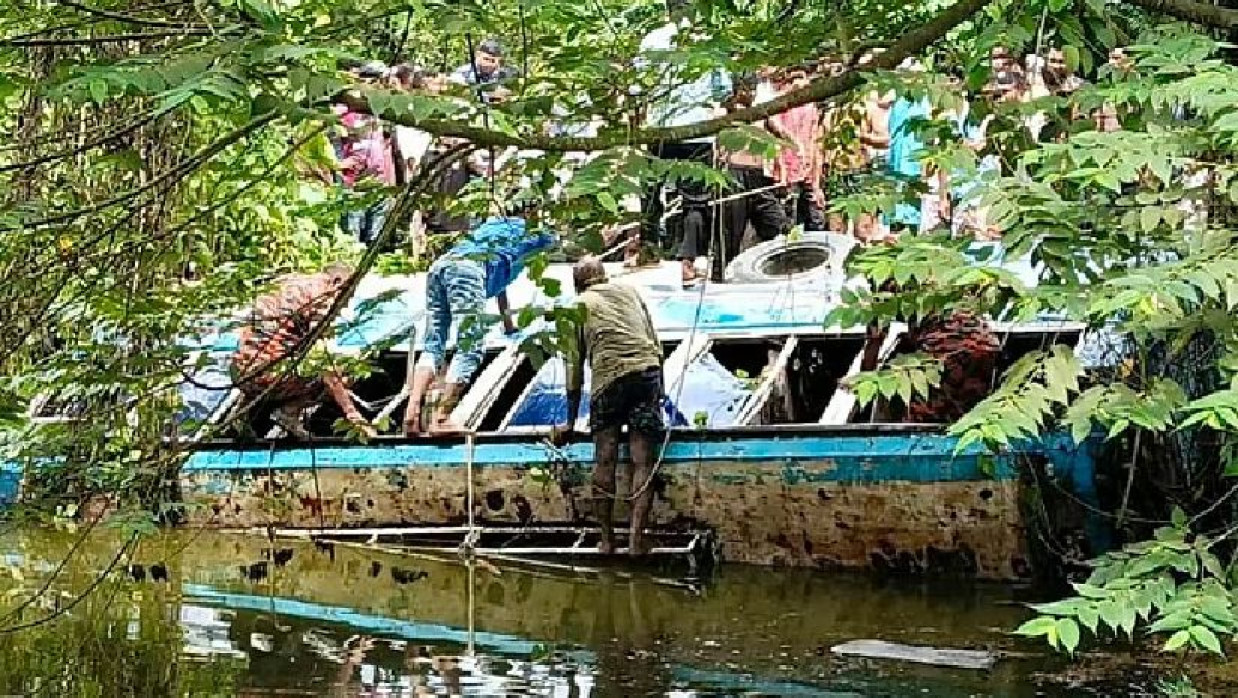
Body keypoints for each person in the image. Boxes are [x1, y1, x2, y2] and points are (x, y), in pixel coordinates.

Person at [403, 216, 556, 435]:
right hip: (468, 270)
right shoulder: (538, 234)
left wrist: (509, 325)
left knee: (433, 342)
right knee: (470, 345)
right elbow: (556, 242)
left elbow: (500, 284)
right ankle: (441, 419)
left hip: (442, 265)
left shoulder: (495, 227)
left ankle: (412, 411)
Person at [556, 258, 664, 555]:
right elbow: (655, 344)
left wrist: (569, 421)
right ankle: (636, 541)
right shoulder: (630, 291)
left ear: (577, 284)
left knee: (605, 459)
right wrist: (659, 391)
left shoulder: (575, 307)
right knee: (643, 459)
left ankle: (606, 540)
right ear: (605, 276)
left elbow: (573, 367)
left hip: (609, 380)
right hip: (646, 372)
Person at [636, 0, 733, 286]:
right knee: (696, 200)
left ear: (667, 9)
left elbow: (638, 86)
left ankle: (648, 249)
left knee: (652, 194)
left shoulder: (651, 40)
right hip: (696, 131)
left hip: (659, 130)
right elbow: (723, 89)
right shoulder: (708, 41)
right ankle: (688, 262)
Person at [232, 264, 375, 439]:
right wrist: (352, 414)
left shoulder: (288, 281)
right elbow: (322, 360)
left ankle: (240, 415)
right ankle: (288, 414)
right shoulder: (323, 297)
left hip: (240, 373)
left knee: (264, 352)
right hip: (269, 376)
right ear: (337, 282)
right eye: (348, 295)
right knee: (346, 369)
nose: (344, 305)